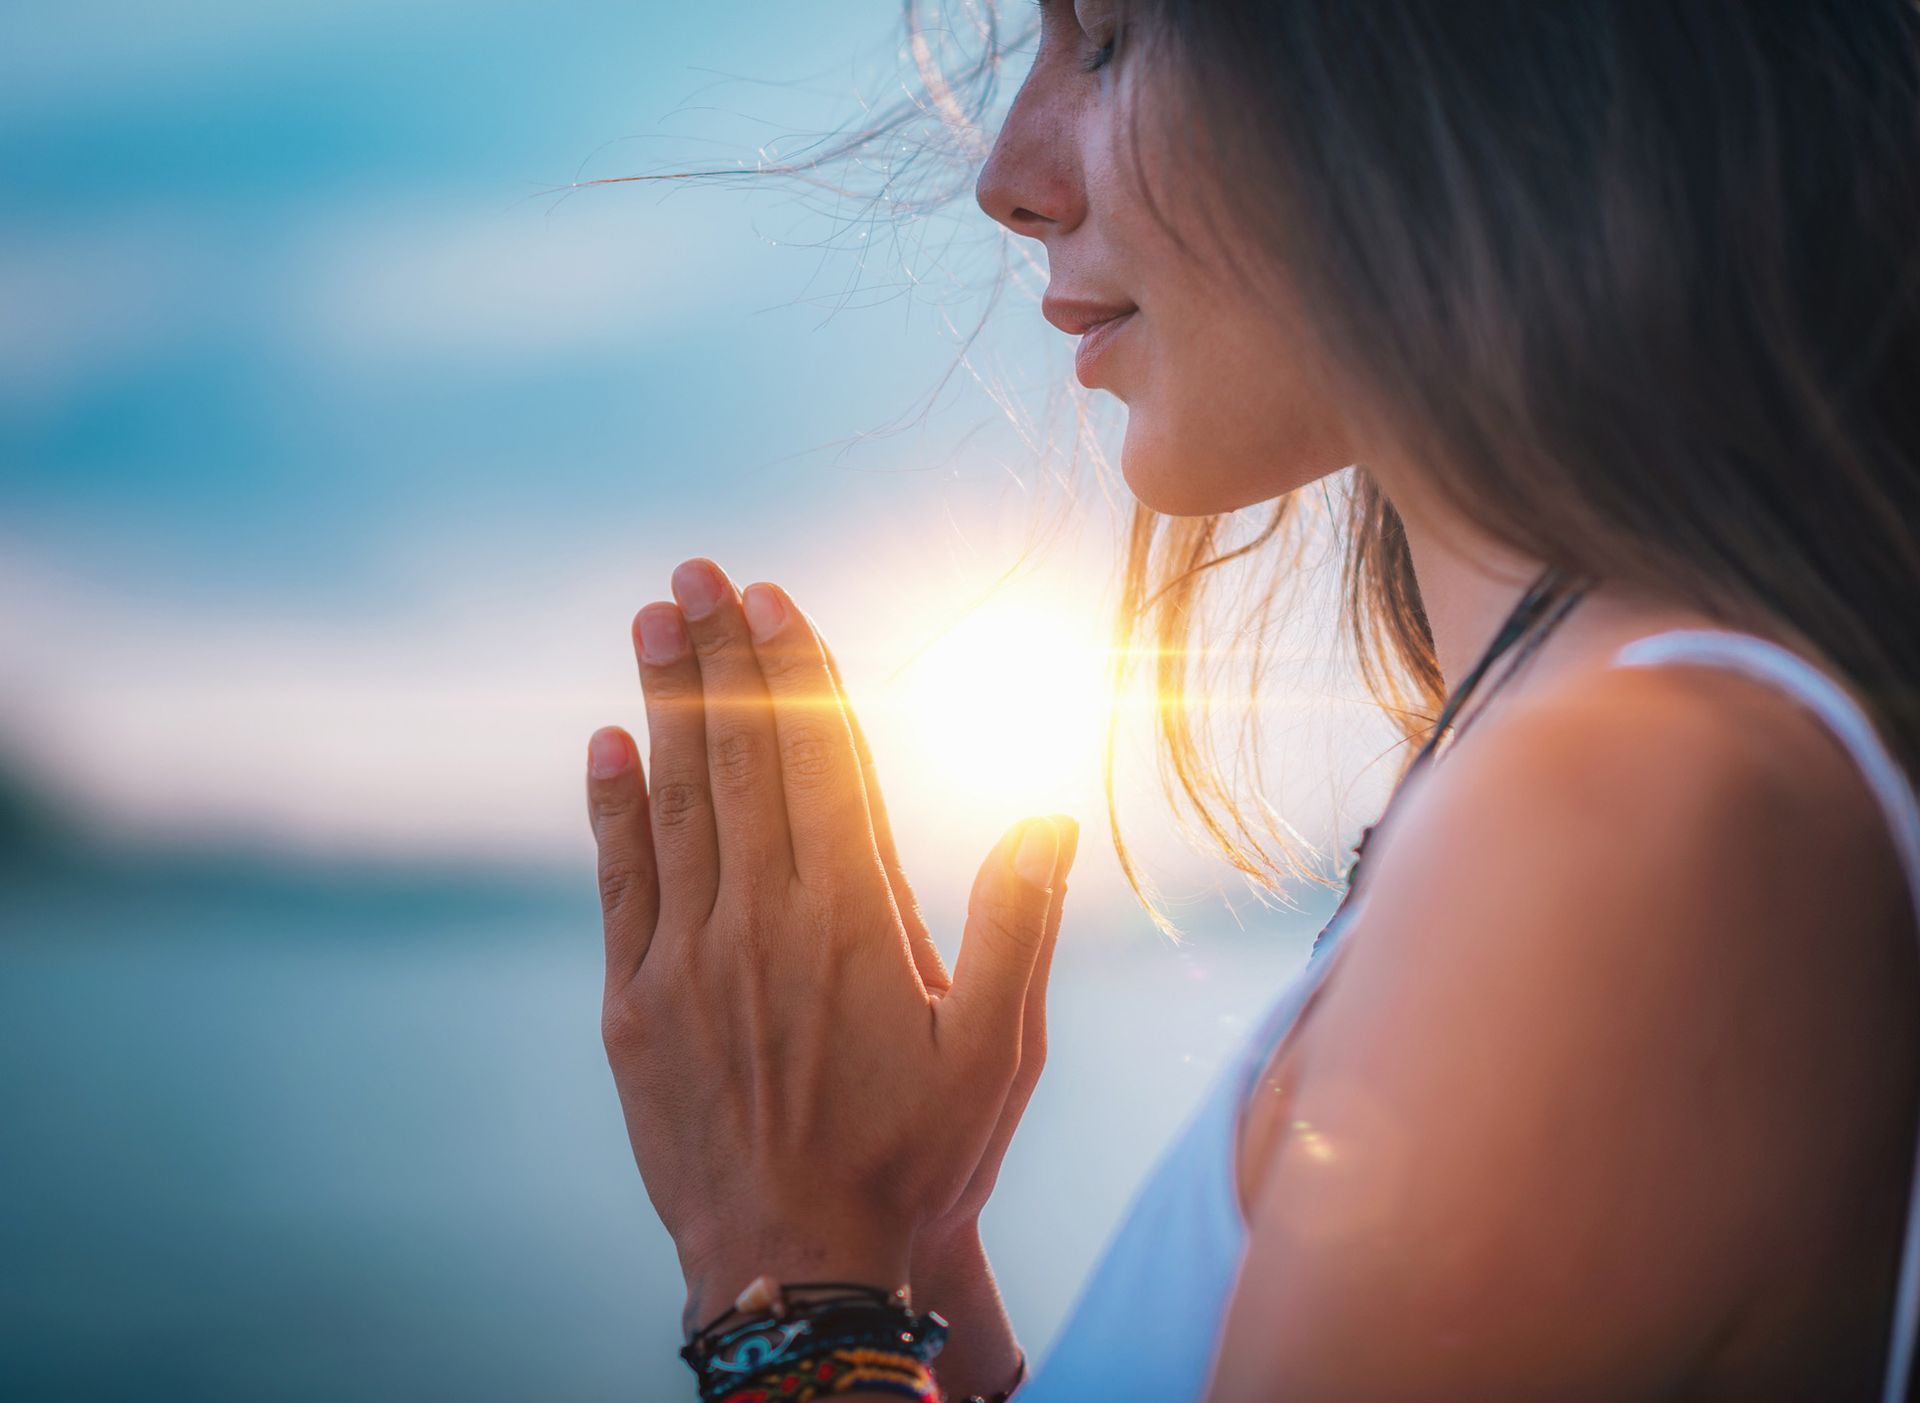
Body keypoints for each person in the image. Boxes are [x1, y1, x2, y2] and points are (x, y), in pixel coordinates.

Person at [582, 2, 1920, 1398]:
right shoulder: (1581, 778)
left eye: (1106, 39)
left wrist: (791, 1285)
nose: (1008, 174)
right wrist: (911, 1267)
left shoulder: (1629, 819)